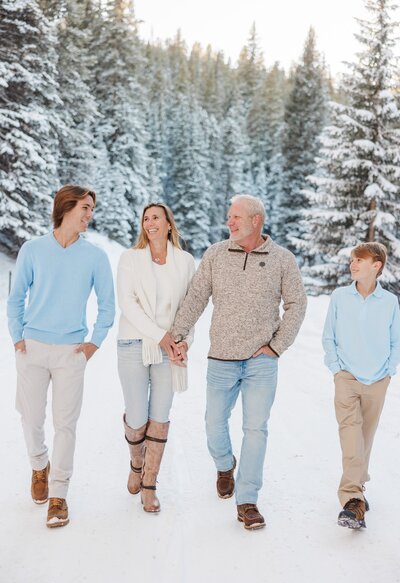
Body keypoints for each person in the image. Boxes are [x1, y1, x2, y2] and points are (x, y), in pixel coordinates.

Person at [170, 194, 307, 530]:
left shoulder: (282, 260)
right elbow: (196, 298)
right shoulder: (216, 254)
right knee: (213, 423)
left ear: (255, 220)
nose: (229, 222)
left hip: (261, 360)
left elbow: (297, 304)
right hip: (221, 357)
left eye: (235, 217)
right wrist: (177, 335)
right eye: (229, 217)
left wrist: (277, 346)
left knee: (255, 429)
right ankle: (223, 463)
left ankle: (247, 500)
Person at [7, 185, 115, 529]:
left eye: (92, 209)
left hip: (71, 352)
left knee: (65, 425)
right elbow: (16, 297)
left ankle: (59, 496)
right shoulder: (34, 249)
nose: (89, 214)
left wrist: (93, 344)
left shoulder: (95, 257)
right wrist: (17, 337)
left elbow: (108, 306)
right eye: (85, 207)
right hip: (33, 348)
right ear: (65, 207)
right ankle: (40, 465)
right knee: (30, 417)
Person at [117, 202, 195, 513]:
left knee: (159, 417)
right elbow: (128, 303)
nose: (150, 223)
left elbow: (190, 307)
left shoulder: (186, 261)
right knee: (137, 417)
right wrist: (161, 337)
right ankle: (137, 464)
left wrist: (184, 342)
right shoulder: (130, 258)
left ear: (168, 225)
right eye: (146, 218)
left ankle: (149, 484)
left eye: (156, 218)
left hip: (170, 347)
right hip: (134, 342)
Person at [322, 242, 400, 530]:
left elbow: (396, 341)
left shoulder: (389, 302)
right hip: (347, 377)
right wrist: (336, 368)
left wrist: (389, 370)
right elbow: (328, 335)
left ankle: (358, 488)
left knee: (365, 437)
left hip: (378, 379)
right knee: (350, 433)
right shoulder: (340, 296)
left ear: (376, 265)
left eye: (359, 260)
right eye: (352, 259)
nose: (353, 264)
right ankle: (351, 498)